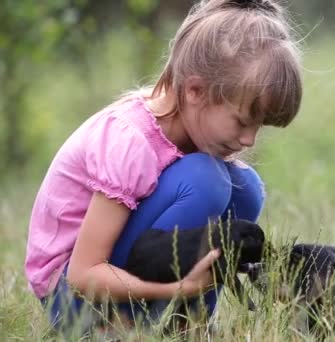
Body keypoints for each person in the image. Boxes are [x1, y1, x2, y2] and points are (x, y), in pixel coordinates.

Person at [24, 0, 302, 336]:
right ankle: (125, 321)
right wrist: (176, 290)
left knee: (246, 189)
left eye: (260, 127)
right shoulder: (133, 140)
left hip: (118, 272)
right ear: (195, 90)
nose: (249, 140)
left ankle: (189, 325)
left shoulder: (195, 130)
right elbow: (82, 274)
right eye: (242, 122)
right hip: (73, 299)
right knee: (206, 180)